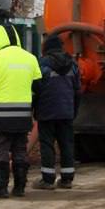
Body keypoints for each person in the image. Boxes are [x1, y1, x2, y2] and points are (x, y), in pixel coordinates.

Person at [0, 23, 42, 198]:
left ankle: (0, 187)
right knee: (20, 150)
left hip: (1, 115)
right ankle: (20, 187)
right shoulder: (30, 58)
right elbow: (38, 86)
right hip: (23, 115)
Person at [33, 34, 81, 190]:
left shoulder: (42, 64)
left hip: (46, 111)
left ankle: (47, 180)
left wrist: (34, 110)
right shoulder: (72, 65)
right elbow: (77, 91)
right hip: (66, 111)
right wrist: (73, 111)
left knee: (47, 145)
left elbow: (36, 89)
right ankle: (67, 179)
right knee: (66, 144)